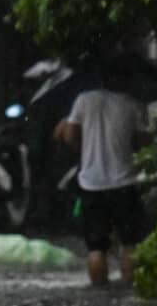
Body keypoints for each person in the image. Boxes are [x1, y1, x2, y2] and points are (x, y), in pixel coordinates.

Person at [54, 54, 151, 286]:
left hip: (91, 183)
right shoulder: (131, 104)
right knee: (130, 243)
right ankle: (129, 290)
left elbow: (68, 136)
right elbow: (142, 143)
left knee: (96, 248)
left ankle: (99, 296)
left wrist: (83, 147)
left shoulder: (83, 101)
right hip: (125, 183)